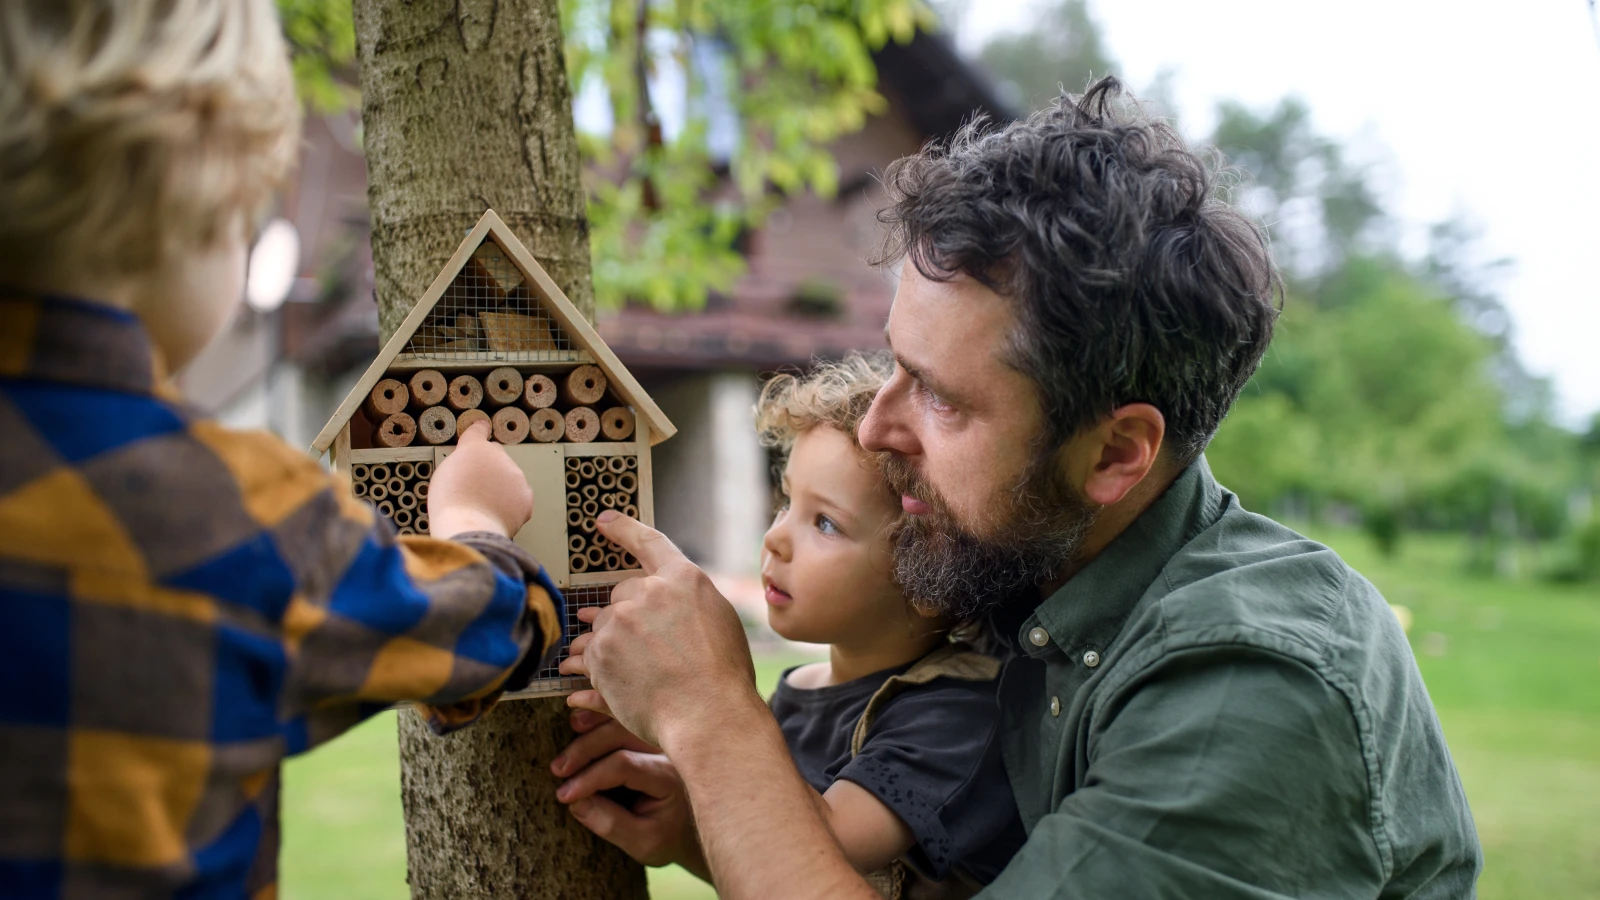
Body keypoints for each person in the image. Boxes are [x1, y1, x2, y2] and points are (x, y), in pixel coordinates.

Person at [553, 77, 1483, 899]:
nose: (877, 427)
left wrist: (709, 717)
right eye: (895, 366)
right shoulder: (1020, 569)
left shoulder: (1254, 691)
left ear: (1116, 455)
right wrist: (708, 825)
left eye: (943, 399)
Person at [0, 2, 563, 897]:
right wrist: (474, 520)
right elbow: (492, 627)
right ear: (195, 200)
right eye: (243, 222)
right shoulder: (237, 511)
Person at [635, 354, 1026, 896]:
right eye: (786, 500)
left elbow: (816, 847)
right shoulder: (799, 689)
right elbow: (767, 867)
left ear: (926, 583)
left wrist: (699, 700)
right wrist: (678, 830)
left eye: (825, 523)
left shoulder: (953, 717)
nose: (775, 538)